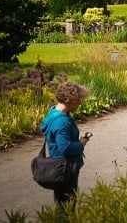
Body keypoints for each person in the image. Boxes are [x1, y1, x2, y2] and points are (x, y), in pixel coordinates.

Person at [39, 81, 91, 211]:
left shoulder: (54, 112)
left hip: (59, 167)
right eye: (79, 100)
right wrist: (81, 144)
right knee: (66, 207)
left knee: (64, 203)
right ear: (70, 100)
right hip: (65, 168)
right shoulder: (61, 121)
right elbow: (66, 148)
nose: (80, 103)